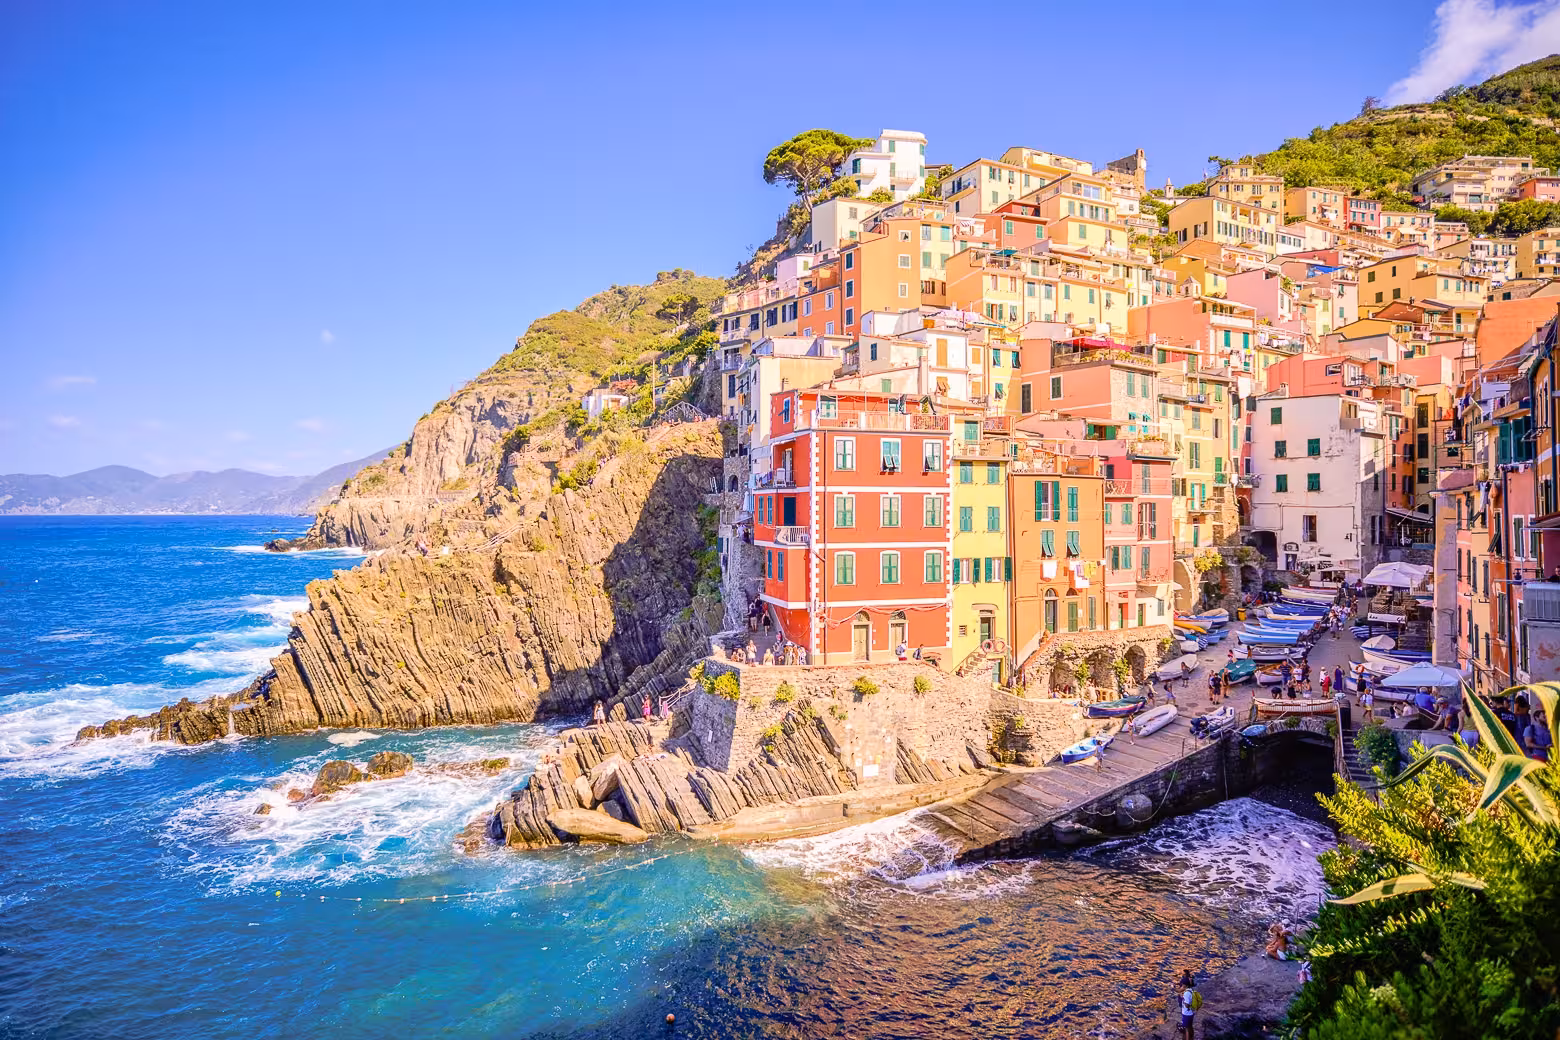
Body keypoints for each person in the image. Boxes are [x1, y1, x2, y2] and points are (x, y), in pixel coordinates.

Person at [1179, 971, 1200, 1040]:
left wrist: (1183, 998)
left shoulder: (1186, 993)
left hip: (1187, 1013)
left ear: (1185, 985)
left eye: (1182, 985)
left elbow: (1187, 1005)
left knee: (1186, 1029)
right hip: (1191, 1013)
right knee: (1190, 1026)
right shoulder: (1190, 990)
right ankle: (1192, 1037)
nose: (1181, 986)